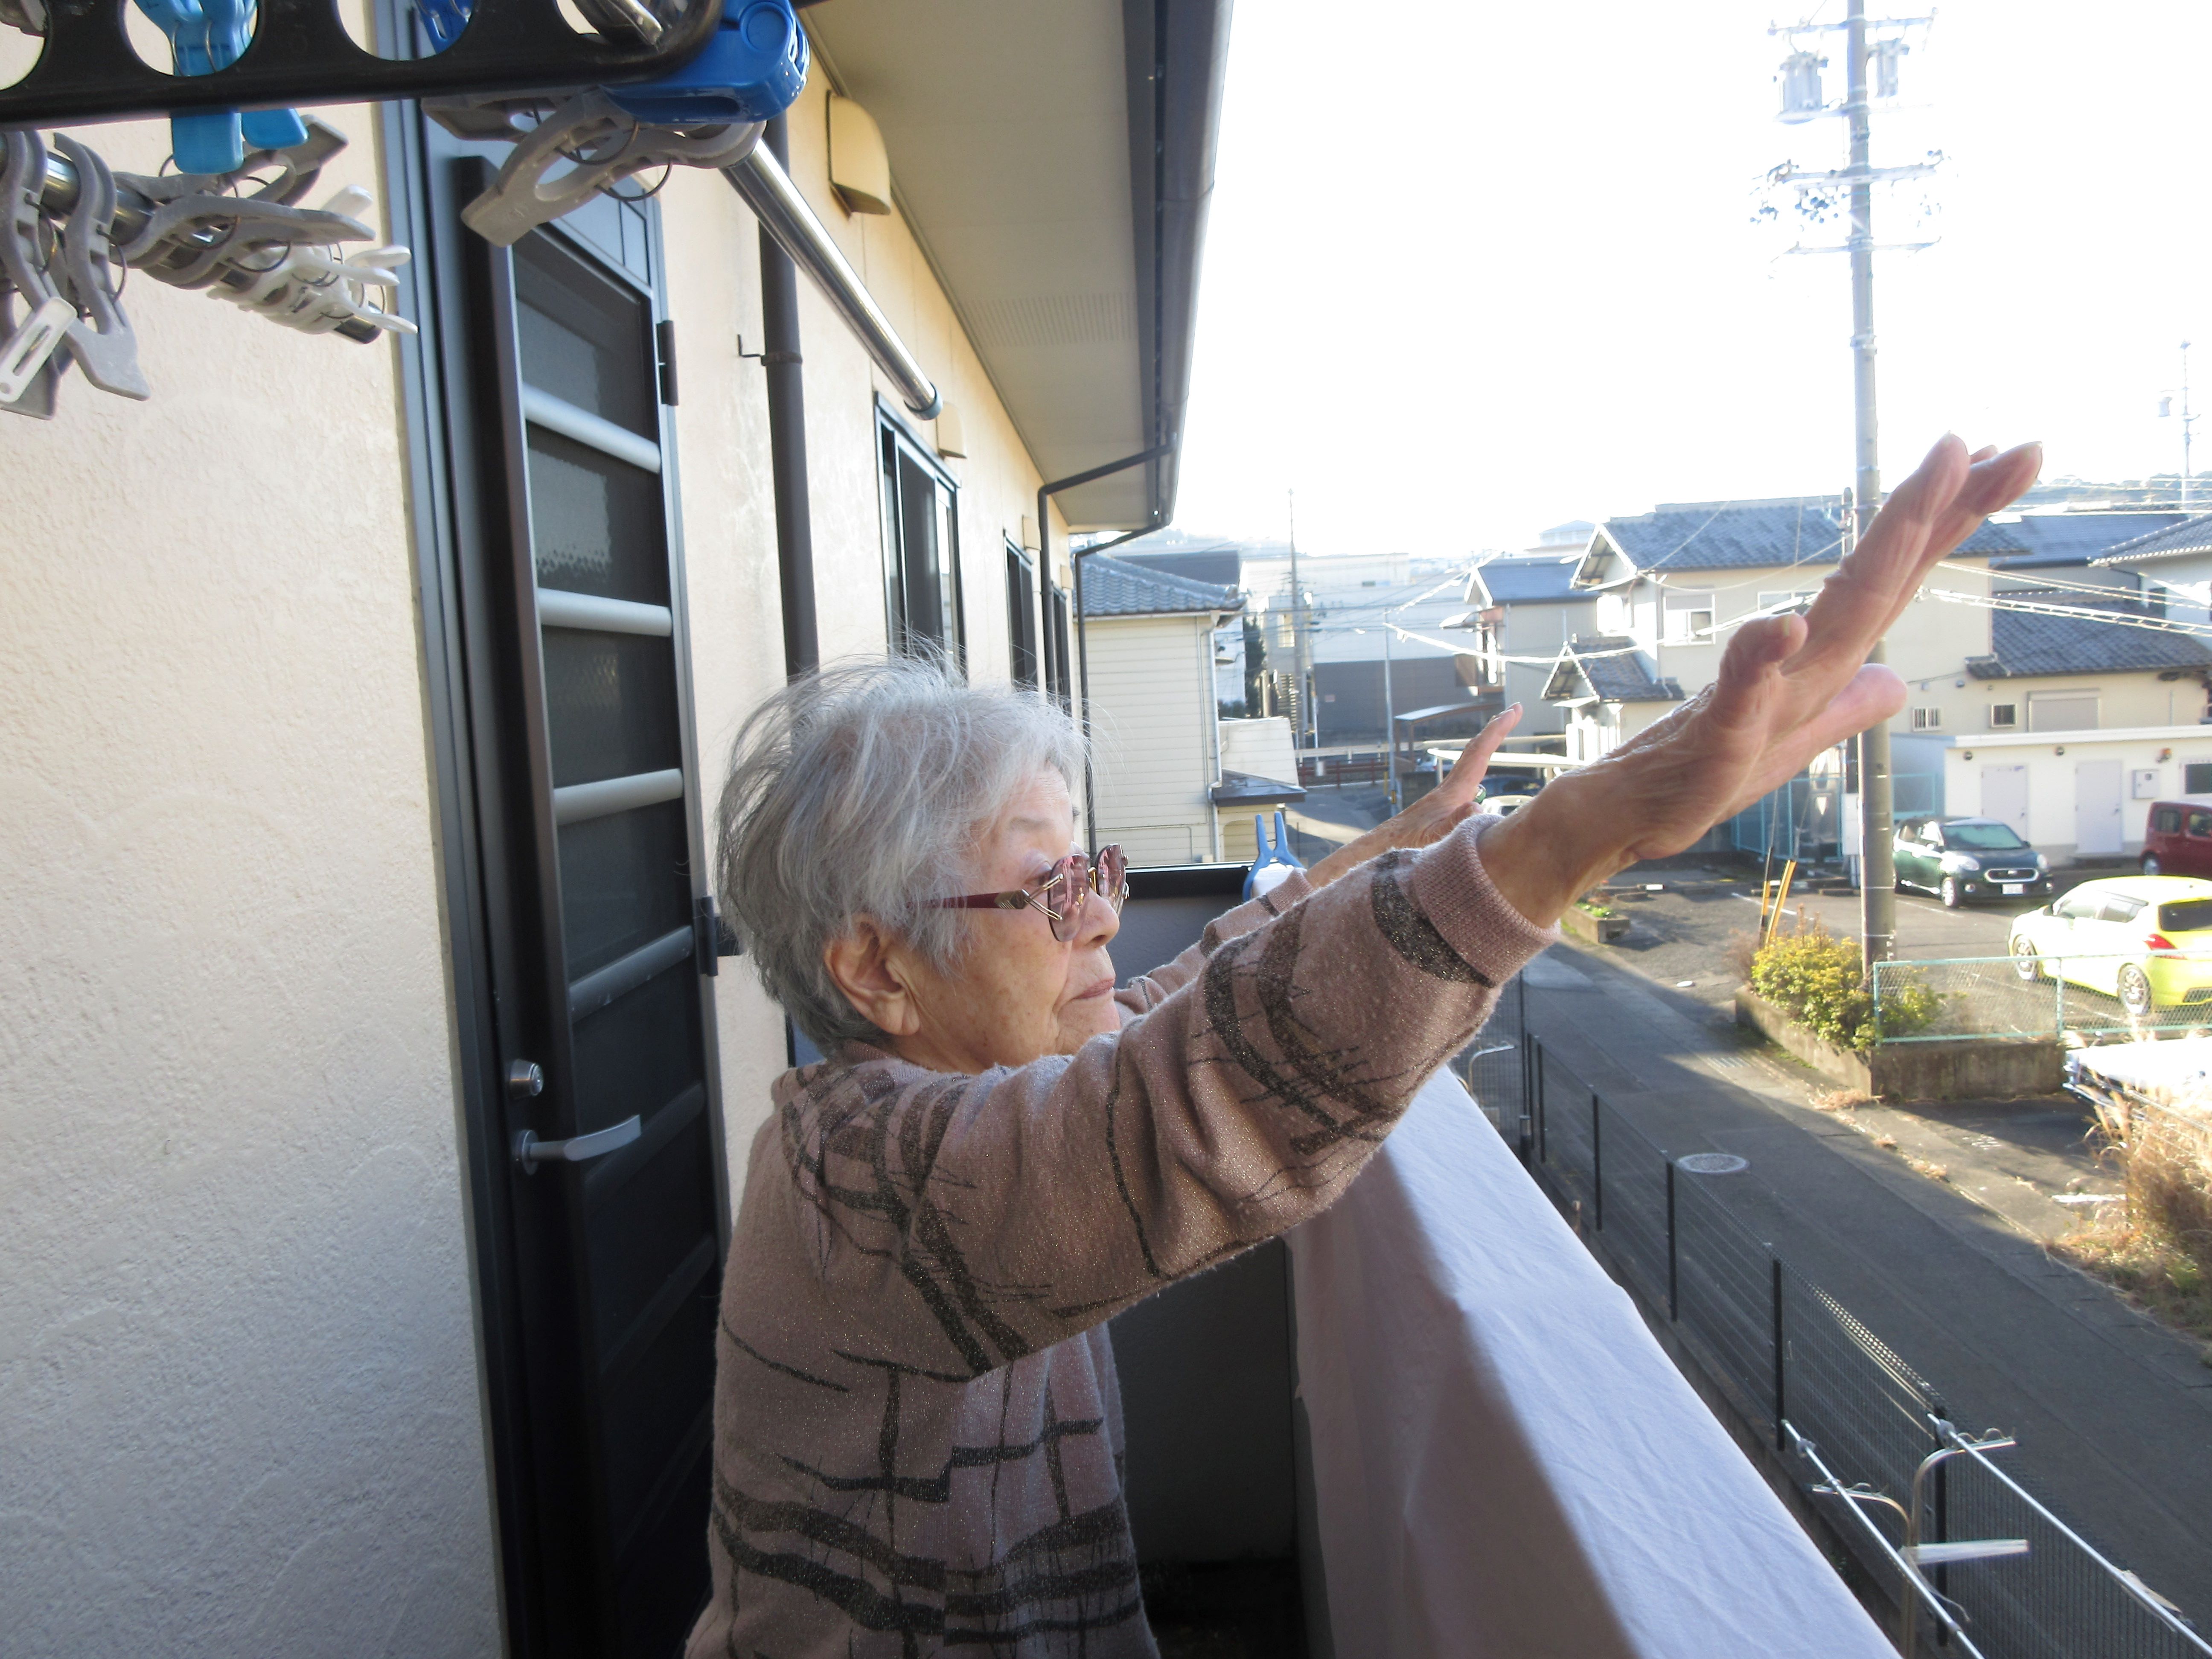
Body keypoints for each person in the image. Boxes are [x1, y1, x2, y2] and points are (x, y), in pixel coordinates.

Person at [686, 435, 2042, 1656]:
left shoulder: (971, 1091)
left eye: (1095, 867)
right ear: (877, 968)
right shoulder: (859, 1185)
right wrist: (1570, 836)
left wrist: (1414, 847)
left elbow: (1184, 996)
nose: (1102, 918)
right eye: (1049, 890)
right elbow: (1186, 1105)